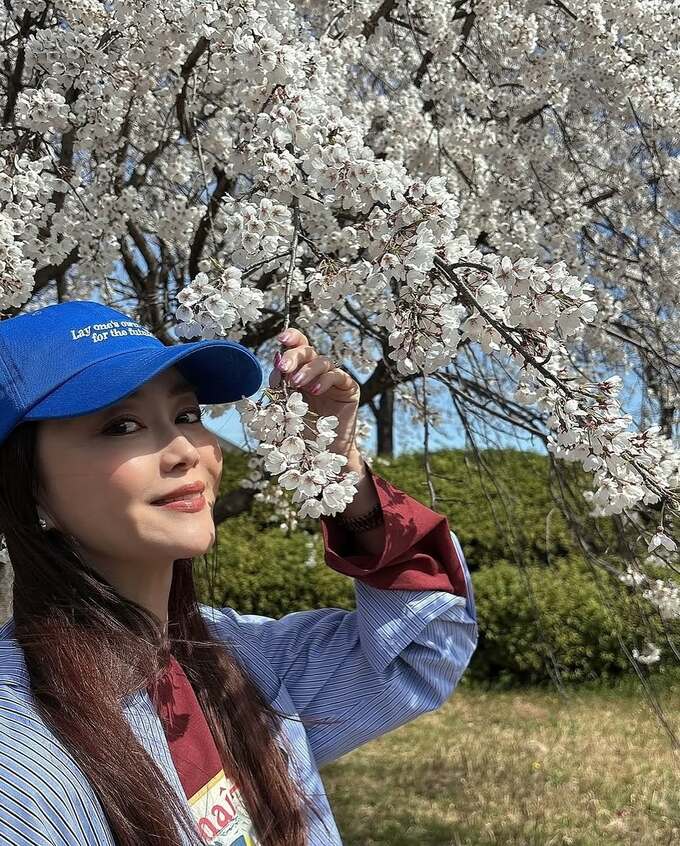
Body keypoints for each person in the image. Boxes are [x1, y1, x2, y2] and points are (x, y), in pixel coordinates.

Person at [0, 300, 478, 846]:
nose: (185, 450)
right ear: (29, 489)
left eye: (187, 415)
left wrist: (339, 470)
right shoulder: (21, 762)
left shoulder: (244, 659)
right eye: (122, 425)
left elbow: (426, 646)